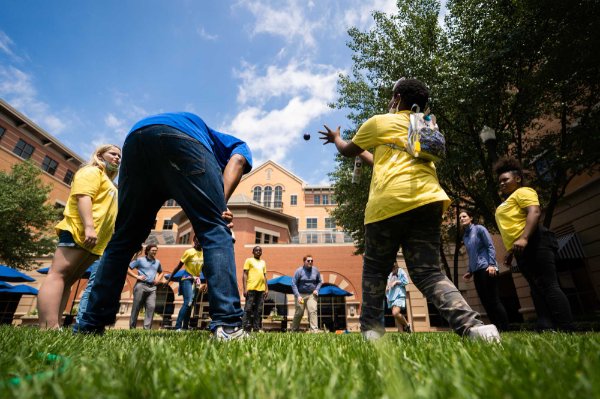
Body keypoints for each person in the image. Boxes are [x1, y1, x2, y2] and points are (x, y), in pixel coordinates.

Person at [319, 78, 498, 341]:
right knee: (428, 272)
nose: (390, 101)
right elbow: (381, 162)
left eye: (392, 96)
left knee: (375, 271)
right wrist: (365, 154)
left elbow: (347, 150)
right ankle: (475, 328)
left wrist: (337, 138)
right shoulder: (426, 126)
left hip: (388, 205)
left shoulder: (380, 122)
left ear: (399, 97)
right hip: (428, 202)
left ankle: (372, 333)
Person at [76, 112, 253, 341]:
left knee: (123, 239)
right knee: (215, 229)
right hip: (183, 140)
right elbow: (238, 159)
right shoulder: (234, 144)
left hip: (136, 139)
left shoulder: (198, 132)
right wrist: (219, 209)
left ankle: (91, 324)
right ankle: (228, 327)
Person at [37, 144, 121, 329]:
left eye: (119, 156)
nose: (117, 158)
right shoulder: (91, 171)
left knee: (68, 280)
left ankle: (55, 325)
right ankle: (47, 327)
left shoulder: (106, 179)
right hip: (79, 231)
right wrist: (89, 227)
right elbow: (83, 197)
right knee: (58, 275)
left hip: (96, 239)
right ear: (100, 155)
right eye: (113, 154)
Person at [494, 157, 573, 331]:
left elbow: (535, 212)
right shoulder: (506, 201)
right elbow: (511, 228)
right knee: (536, 288)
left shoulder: (523, 192)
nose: (501, 184)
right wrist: (510, 251)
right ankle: (546, 326)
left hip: (537, 241)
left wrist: (524, 238)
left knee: (549, 284)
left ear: (518, 178)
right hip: (522, 248)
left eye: (505, 179)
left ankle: (567, 327)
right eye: (499, 181)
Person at [460, 210, 510, 331]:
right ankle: (496, 329)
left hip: (488, 268)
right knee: (485, 301)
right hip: (477, 272)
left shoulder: (479, 229)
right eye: (460, 217)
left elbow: (490, 246)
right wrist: (470, 271)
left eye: (464, 216)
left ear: (471, 218)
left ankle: (505, 329)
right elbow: (472, 254)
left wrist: (492, 264)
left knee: (494, 300)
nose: (461, 219)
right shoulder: (465, 236)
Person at [168, 237, 207, 331]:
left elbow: (204, 270)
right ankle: (178, 326)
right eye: (197, 240)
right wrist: (169, 279)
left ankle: (185, 327)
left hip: (196, 279)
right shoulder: (189, 252)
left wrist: (206, 282)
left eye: (200, 240)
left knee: (192, 304)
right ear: (194, 241)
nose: (199, 242)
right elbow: (178, 266)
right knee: (188, 302)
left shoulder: (204, 253)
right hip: (187, 278)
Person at [128, 244, 164, 329]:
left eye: (156, 250)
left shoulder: (157, 262)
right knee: (136, 307)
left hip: (152, 288)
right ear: (147, 251)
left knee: (151, 307)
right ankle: (132, 327)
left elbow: (161, 272)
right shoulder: (140, 260)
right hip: (141, 285)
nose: (155, 252)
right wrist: (136, 276)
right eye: (153, 250)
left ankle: (146, 330)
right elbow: (128, 267)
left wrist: (158, 279)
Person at [291, 255, 323, 332]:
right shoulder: (299, 271)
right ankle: (294, 330)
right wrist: (298, 296)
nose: (310, 262)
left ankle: (314, 331)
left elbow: (320, 281)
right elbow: (293, 283)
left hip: (312, 295)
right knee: (299, 313)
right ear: (304, 262)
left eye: (312, 261)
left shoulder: (316, 270)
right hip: (300, 295)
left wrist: (317, 289)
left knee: (313, 311)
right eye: (308, 261)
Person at [242, 246, 268, 332]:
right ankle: (245, 327)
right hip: (251, 288)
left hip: (261, 289)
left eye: (260, 250)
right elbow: (245, 274)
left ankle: (256, 328)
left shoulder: (263, 262)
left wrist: (266, 289)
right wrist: (245, 288)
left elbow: (264, 276)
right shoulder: (249, 260)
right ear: (252, 252)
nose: (258, 251)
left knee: (259, 310)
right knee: (248, 308)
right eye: (256, 250)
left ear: (261, 252)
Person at [386, 262, 411, 333]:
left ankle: (407, 325)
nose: (391, 269)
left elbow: (406, 281)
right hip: (391, 297)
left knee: (395, 313)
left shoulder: (401, 271)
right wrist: (387, 287)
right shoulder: (390, 274)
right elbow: (389, 284)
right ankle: (402, 334)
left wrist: (397, 282)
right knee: (396, 317)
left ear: (396, 266)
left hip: (399, 295)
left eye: (393, 267)